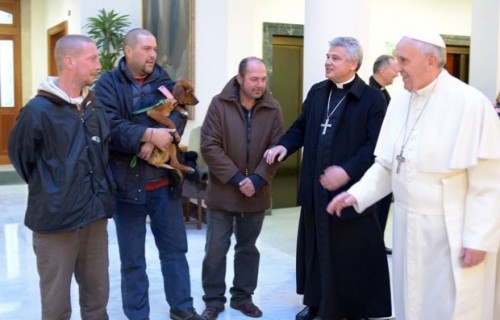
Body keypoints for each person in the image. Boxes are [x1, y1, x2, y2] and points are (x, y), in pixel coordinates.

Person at [327, 32, 500, 320]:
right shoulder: (400, 102)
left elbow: (489, 182)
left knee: (451, 306)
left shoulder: (470, 103)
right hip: (408, 225)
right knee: (413, 302)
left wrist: (479, 238)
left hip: (452, 232)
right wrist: (356, 193)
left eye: (403, 60)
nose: (397, 67)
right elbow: (387, 165)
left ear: (430, 61)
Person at [264, 37, 391, 320]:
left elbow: (375, 145)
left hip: (350, 191)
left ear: (353, 64)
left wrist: (347, 170)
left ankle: (352, 308)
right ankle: (318, 303)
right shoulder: (319, 92)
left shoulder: (371, 99)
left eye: (335, 58)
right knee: (316, 248)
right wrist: (284, 146)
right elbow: (301, 127)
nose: (328, 62)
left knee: (347, 253)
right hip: (315, 188)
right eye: (327, 56)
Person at [93, 28, 204, 320]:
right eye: (145, 49)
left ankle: (182, 307)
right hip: (126, 187)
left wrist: (160, 138)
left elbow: (180, 115)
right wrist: (145, 135)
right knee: (132, 260)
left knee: (175, 252)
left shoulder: (164, 81)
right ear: (128, 51)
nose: (153, 54)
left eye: (154, 48)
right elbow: (108, 125)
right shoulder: (107, 85)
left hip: (164, 186)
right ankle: (137, 314)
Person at [8, 34, 115, 319]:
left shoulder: (95, 106)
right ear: (69, 61)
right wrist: (55, 190)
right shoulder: (37, 111)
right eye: (91, 58)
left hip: (94, 218)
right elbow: (22, 159)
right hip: (55, 223)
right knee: (56, 308)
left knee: (97, 302)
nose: (98, 64)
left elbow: (102, 152)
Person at [200, 57, 284, 320]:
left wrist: (258, 179)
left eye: (263, 79)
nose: (260, 85)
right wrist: (238, 179)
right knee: (215, 250)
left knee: (248, 248)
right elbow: (209, 147)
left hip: (256, 193)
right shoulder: (219, 104)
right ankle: (214, 300)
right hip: (224, 192)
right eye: (254, 79)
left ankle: (242, 297)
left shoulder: (273, 108)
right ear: (240, 79)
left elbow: (278, 148)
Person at [369, 54, 399, 254]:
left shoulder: (382, 92)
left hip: (386, 157)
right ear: (383, 70)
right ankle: (372, 243)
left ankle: (377, 240)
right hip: (375, 158)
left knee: (383, 204)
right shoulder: (371, 93)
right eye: (394, 69)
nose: (397, 73)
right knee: (375, 204)